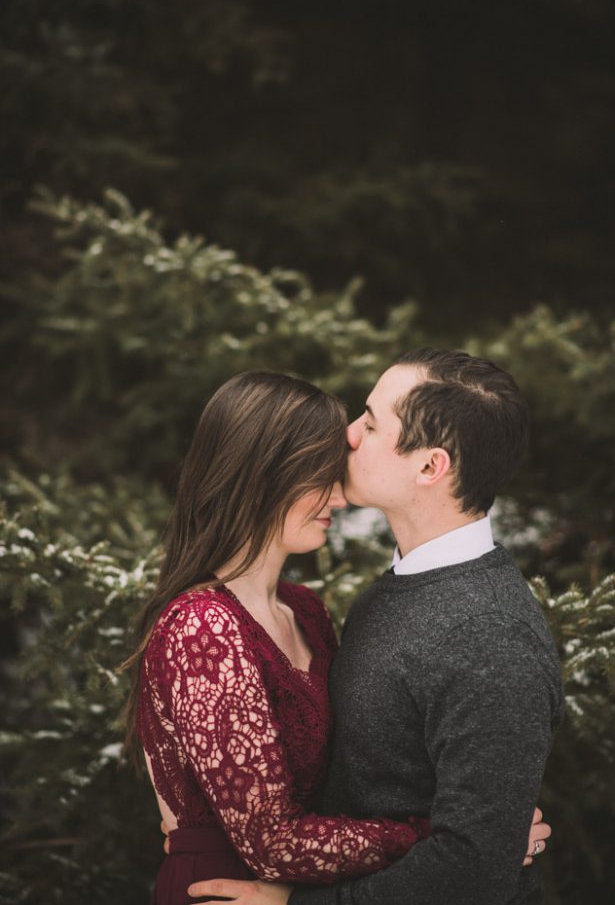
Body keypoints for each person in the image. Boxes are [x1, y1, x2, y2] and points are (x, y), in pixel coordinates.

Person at [124, 367, 550, 905]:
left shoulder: (320, 612)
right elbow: (279, 828)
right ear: (265, 475)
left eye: (369, 423)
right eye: (316, 465)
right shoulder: (224, 622)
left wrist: (476, 844)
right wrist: (450, 838)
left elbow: (467, 863)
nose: (350, 435)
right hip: (228, 890)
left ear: (430, 465)